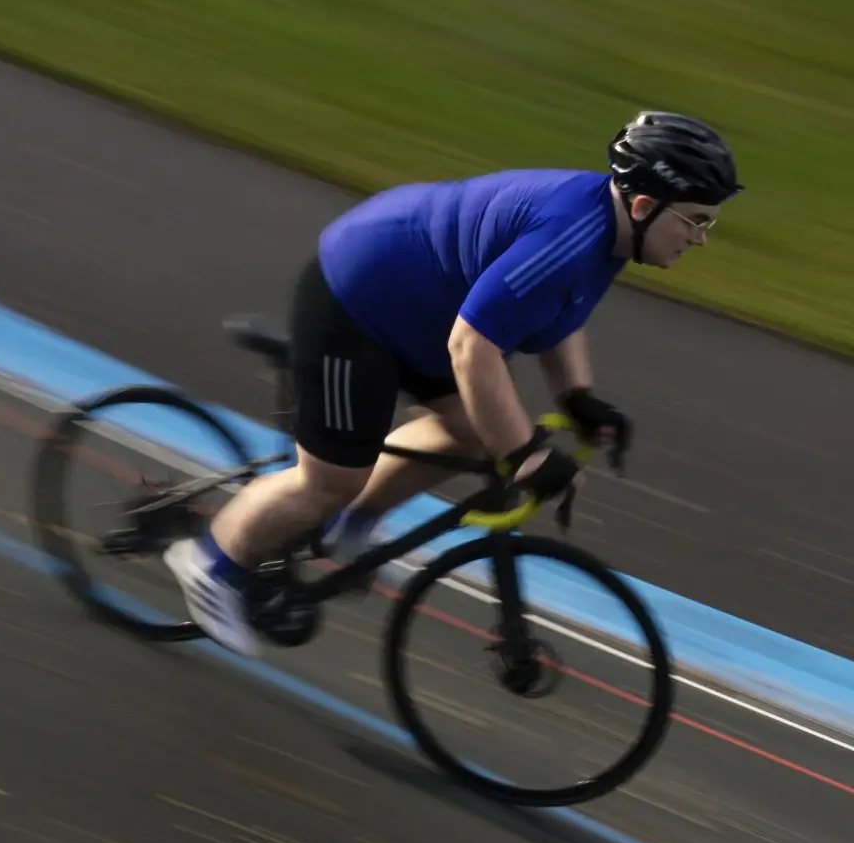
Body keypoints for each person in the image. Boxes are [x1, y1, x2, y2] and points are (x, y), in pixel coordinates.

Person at [164, 111, 742, 658]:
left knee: (468, 431)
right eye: (696, 220)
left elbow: (558, 313)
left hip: (423, 305)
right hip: (358, 303)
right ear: (644, 204)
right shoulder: (569, 237)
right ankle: (213, 563)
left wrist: (576, 396)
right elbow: (472, 348)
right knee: (331, 478)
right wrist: (526, 457)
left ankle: (347, 526)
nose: (701, 238)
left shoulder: (610, 232)